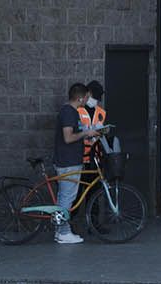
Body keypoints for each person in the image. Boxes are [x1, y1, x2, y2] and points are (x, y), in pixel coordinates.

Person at [54, 83, 99, 244]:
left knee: (63, 197)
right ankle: (64, 232)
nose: (88, 99)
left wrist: (87, 135)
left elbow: (73, 135)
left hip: (70, 160)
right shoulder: (69, 112)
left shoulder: (71, 112)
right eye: (86, 96)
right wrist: (85, 133)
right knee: (67, 197)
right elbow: (68, 138)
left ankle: (60, 231)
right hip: (68, 161)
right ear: (80, 97)